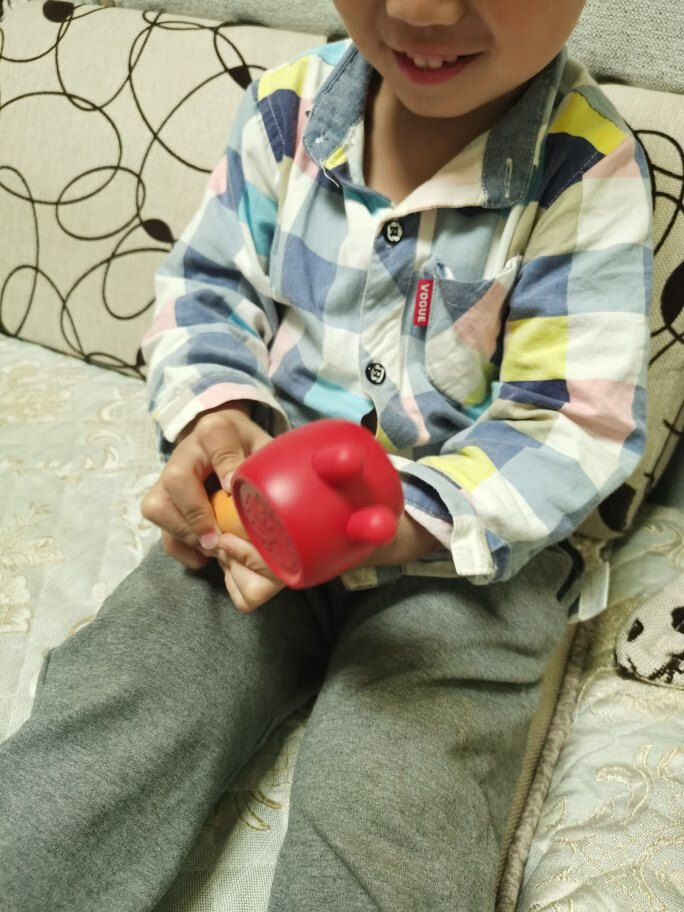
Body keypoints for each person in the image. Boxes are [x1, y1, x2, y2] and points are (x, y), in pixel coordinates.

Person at [0, 1, 652, 910]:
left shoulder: (586, 167)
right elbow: (207, 291)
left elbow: (570, 422)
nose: (418, 9)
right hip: (260, 519)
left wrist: (403, 520)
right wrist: (217, 417)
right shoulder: (288, 108)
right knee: (119, 708)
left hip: (469, 560)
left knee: (399, 794)